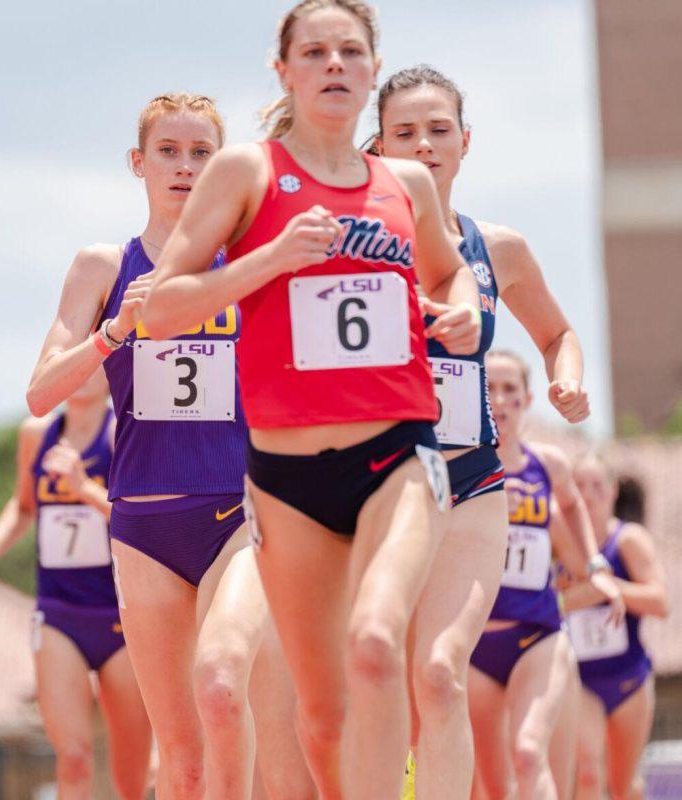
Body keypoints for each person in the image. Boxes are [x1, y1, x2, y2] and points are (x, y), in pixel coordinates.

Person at [143, 3, 485, 795]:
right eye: (316, 51)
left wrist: (461, 304)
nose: (335, 64)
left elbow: (447, 271)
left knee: (374, 642)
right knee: (323, 718)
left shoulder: (403, 183)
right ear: (285, 70)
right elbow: (160, 311)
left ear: (371, 70)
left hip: (397, 454)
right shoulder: (246, 174)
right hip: (287, 479)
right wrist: (266, 261)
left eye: (351, 52)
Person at [26, 93, 311, 799]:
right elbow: (39, 393)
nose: (185, 168)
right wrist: (116, 329)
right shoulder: (103, 266)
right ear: (138, 162)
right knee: (180, 760)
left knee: (221, 688)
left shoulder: (247, 264)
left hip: (237, 513)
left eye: (201, 154)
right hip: (143, 523)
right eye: (169, 152)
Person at [371, 64, 591, 798]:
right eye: (405, 132)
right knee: (374, 680)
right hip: (366, 489)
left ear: (465, 144)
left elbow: (558, 333)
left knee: (437, 676)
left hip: (470, 483)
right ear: (376, 145)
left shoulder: (499, 249)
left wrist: (567, 379)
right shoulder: (352, 241)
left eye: (438, 131)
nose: (424, 145)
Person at [0, 370, 151, 799]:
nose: (79, 376)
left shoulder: (123, 432)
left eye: (91, 366)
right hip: (58, 612)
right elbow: (24, 505)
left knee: (131, 776)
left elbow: (137, 519)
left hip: (119, 616)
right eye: (70, 365)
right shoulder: (36, 434)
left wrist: (83, 489)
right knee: (74, 755)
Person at [468, 351, 625, 800]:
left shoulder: (548, 466)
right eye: (489, 389)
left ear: (527, 400)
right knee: (492, 786)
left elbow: (572, 507)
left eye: (510, 390)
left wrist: (596, 566)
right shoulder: (457, 466)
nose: (499, 400)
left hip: (537, 637)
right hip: (477, 643)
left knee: (529, 753)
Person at [566, 456, 668, 800]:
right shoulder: (559, 544)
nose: (589, 495)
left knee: (623, 787)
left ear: (612, 492)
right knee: (589, 774)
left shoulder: (628, 540)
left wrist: (612, 587)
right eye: (580, 486)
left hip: (629, 680)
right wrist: (587, 593)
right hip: (581, 681)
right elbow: (545, 604)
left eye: (597, 486)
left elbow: (660, 601)